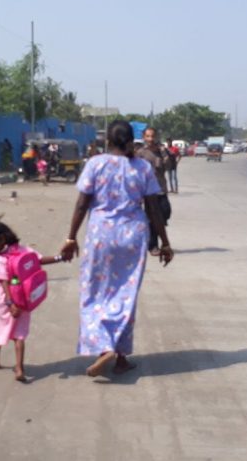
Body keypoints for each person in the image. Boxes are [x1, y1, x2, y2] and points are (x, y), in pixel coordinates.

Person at [60, 120, 173, 377]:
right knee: (125, 294)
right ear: (131, 139)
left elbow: (82, 204)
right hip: (132, 237)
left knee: (96, 292)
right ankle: (120, 356)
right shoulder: (142, 167)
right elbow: (153, 208)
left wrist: (70, 238)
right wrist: (165, 243)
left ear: (107, 141)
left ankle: (104, 347)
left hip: (101, 237)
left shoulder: (95, 164)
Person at [0, 219, 67, 382]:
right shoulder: (23, 250)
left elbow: (4, 281)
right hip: (24, 299)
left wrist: (10, 303)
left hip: (5, 300)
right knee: (19, 335)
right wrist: (60, 257)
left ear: (2, 240)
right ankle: (19, 369)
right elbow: (39, 260)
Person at [137, 127, 172, 256]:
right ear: (144, 137)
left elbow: (169, 167)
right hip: (148, 192)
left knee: (166, 212)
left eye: (152, 136)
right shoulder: (141, 153)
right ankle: (153, 245)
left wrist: (163, 154)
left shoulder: (162, 151)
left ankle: (155, 234)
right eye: (148, 136)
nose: (150, 139)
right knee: (152, 218)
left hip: (161, 189)